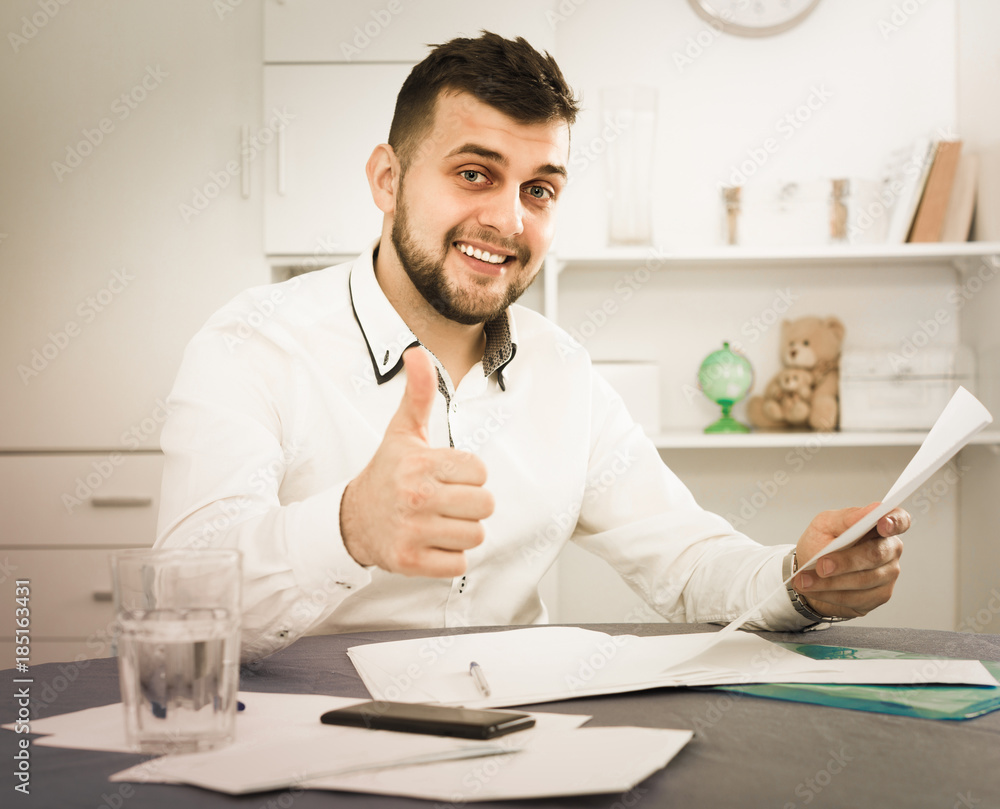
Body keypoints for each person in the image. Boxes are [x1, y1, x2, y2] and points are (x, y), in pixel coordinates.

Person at [155, 32, 906, 662]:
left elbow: (685, 559)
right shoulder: (253, 344)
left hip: (518, 744)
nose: (509, 220)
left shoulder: (564, 371)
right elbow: (185, 596)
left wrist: (800, 578)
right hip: (301, 747)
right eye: (473, 173)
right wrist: (349, 527)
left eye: (539, 190)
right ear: (388, 179)